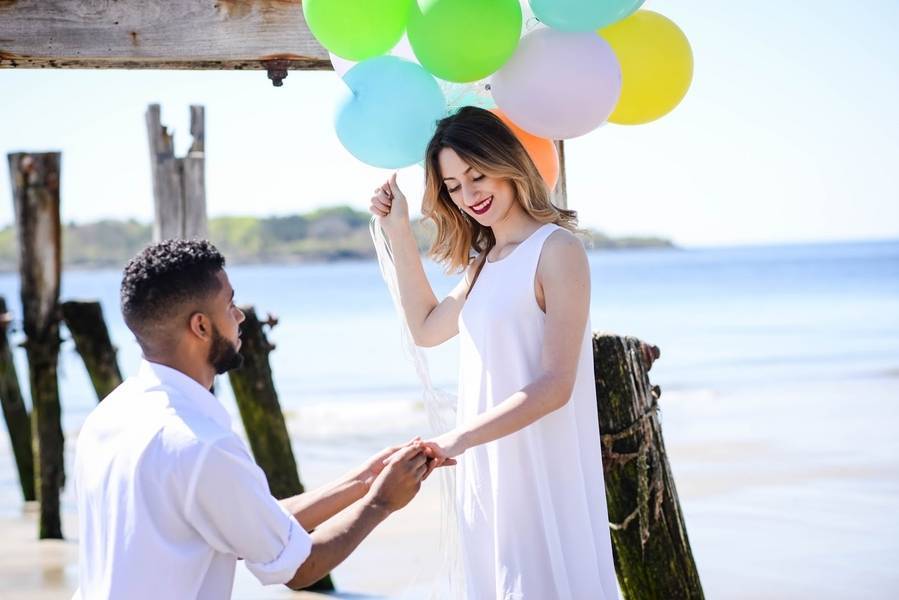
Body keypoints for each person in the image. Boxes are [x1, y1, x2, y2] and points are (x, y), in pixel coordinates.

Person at [73, 239, 448, 599]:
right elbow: (300, 567)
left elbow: (252, 523)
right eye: (230, 304)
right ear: (201, 326)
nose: (239, 317)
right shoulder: (204, 446)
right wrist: (381, 503)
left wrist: (363, 481)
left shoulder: (109, 415)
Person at [369, 106, 619, 599]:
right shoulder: (483, 264)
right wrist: (399, 228)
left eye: (477, 175)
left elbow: (554, 386)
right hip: (489, 467)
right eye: (454, 186)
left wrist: (458, 438)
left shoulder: (557, 249)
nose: (468, 195)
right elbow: (424, 327)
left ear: (507, 163)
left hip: (539, 462)